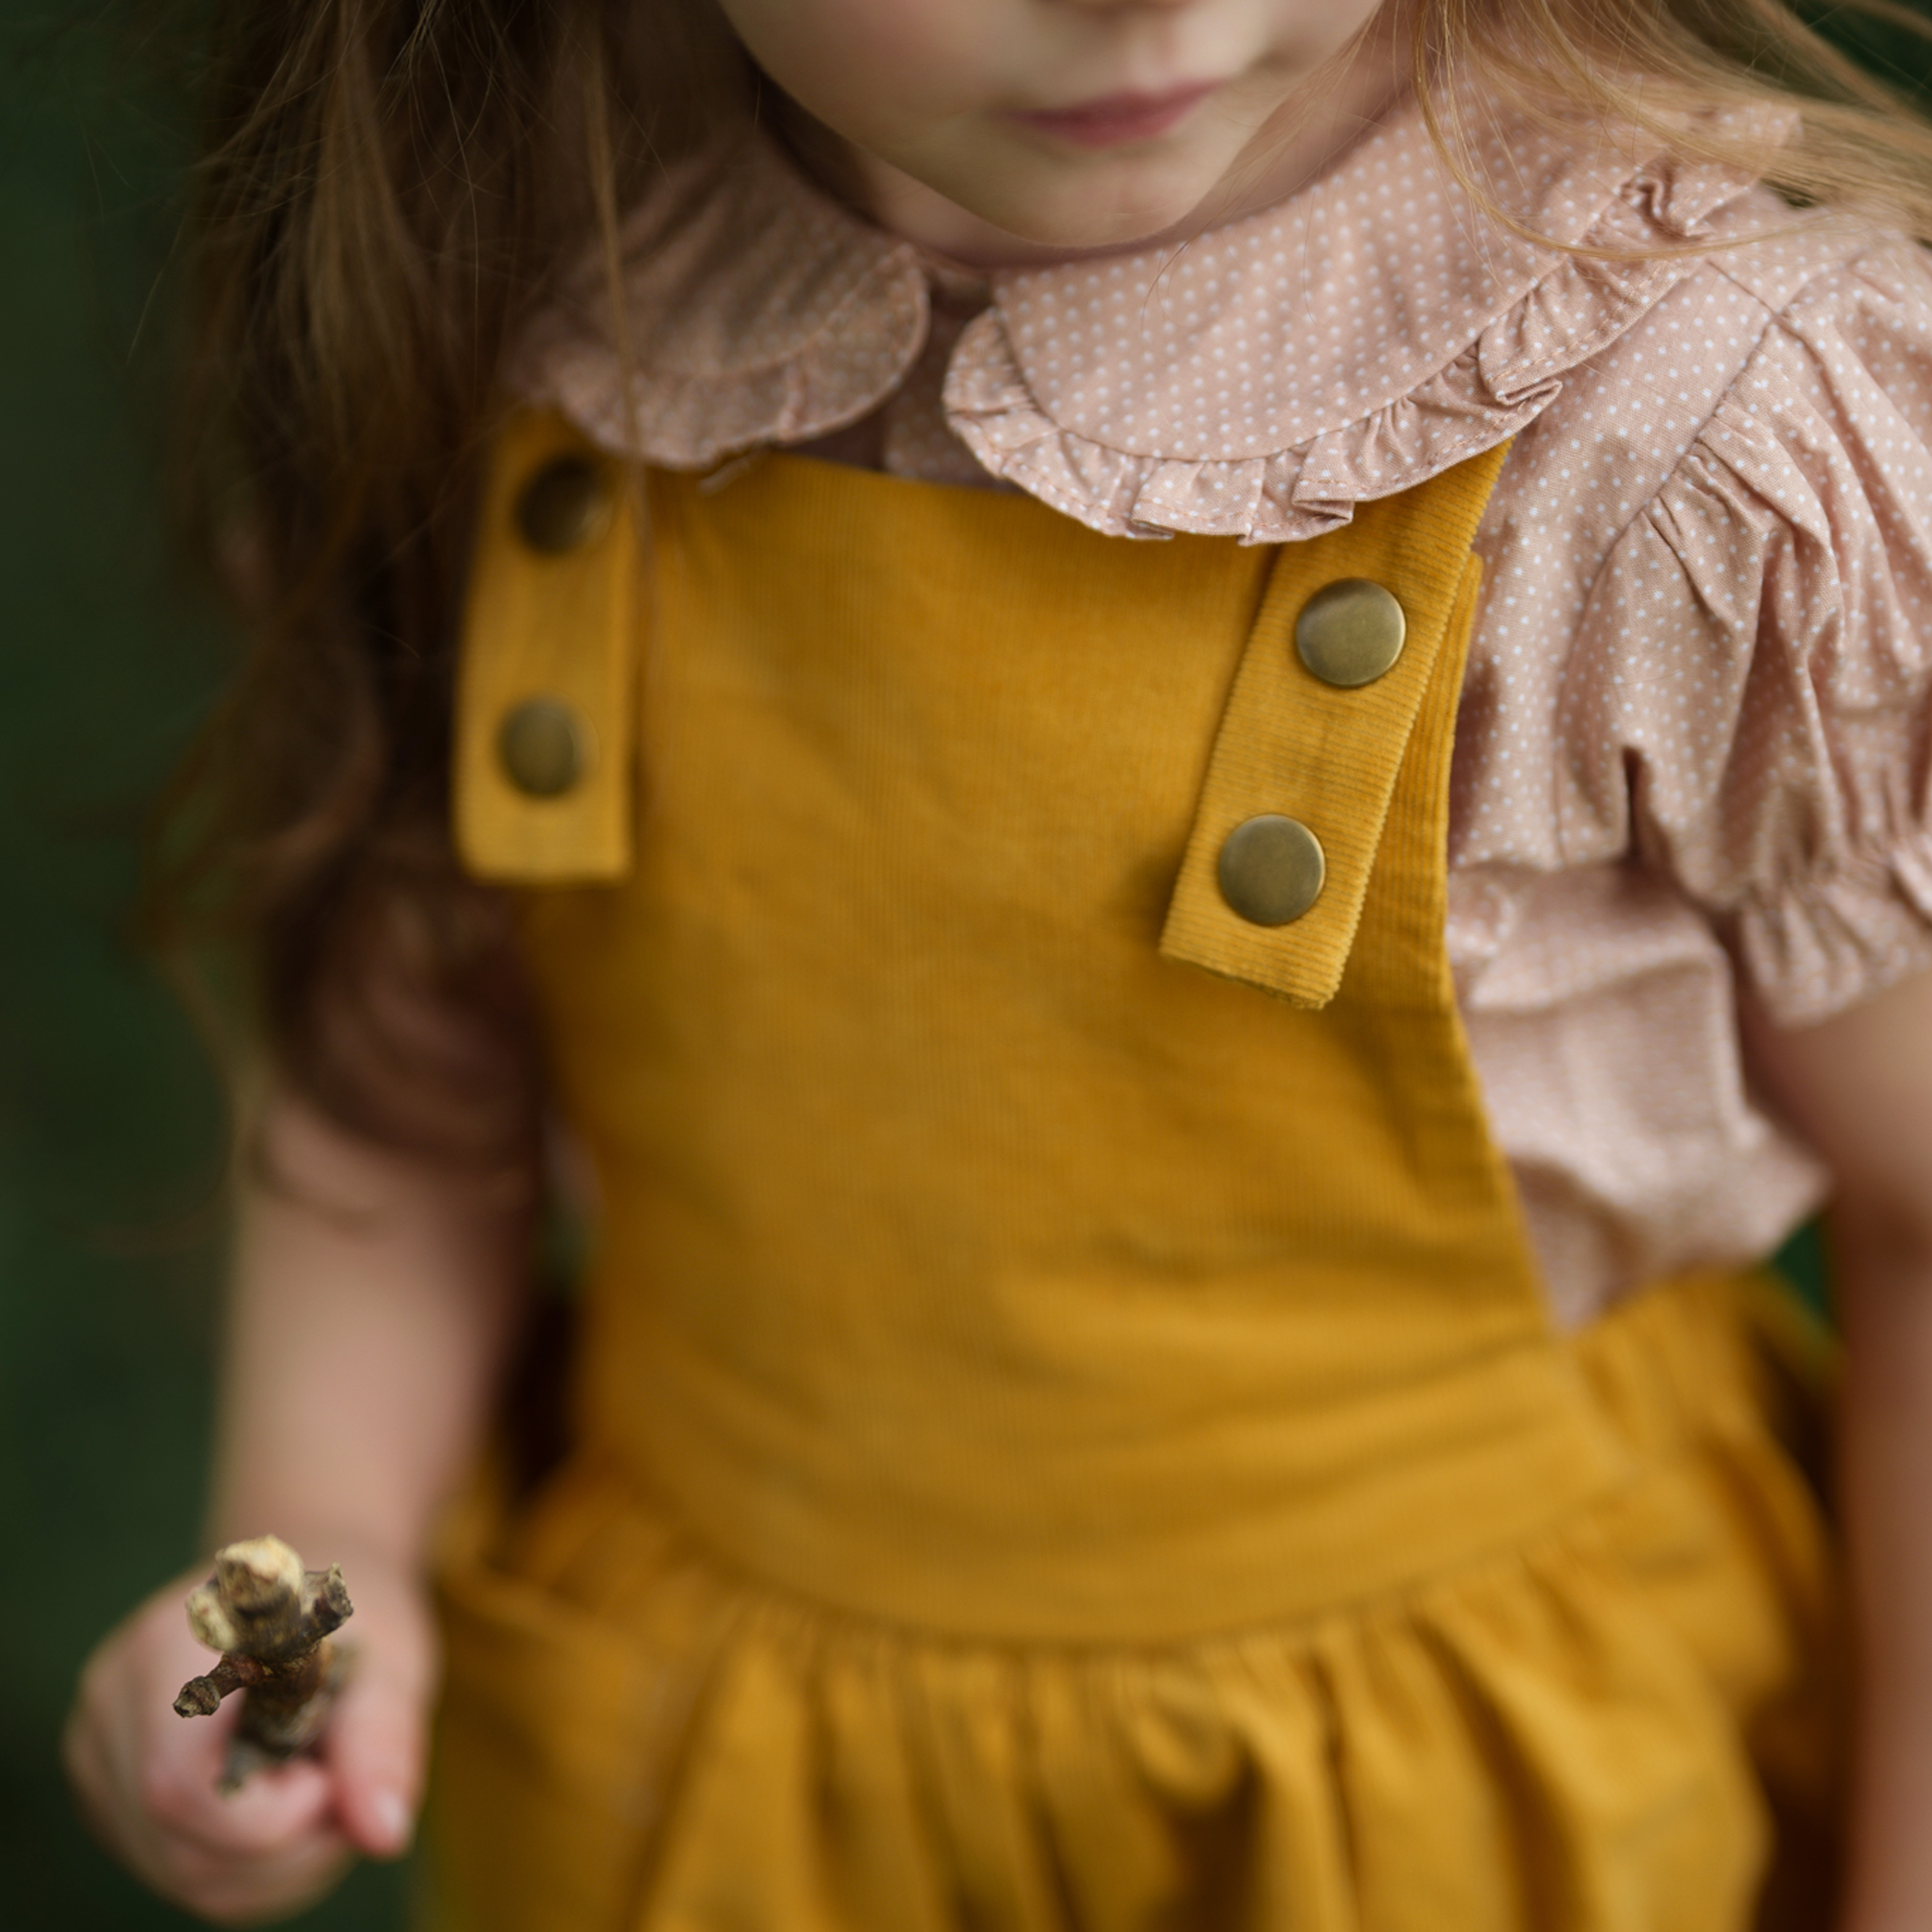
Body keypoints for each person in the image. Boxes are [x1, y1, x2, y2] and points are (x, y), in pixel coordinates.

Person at [57, 0, 1932, 1925]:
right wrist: (288, 1608)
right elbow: (409, 1070)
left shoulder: (1689, 410)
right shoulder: (531, 269)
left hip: (1449, 1807)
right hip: (736, 1808)